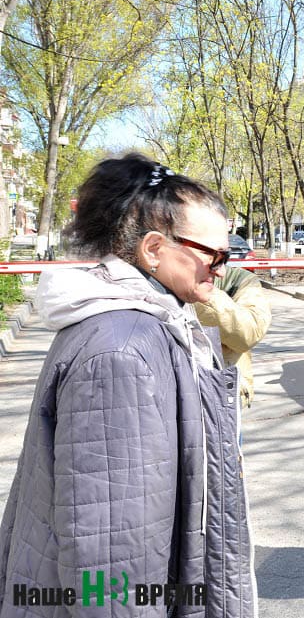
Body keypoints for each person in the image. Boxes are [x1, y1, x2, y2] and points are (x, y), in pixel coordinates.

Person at [0, 154, 257, 617]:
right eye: (213, 254)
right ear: (154, 249)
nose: (222, 267)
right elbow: (110, 557)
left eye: (229, 254)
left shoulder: (150, 323)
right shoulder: (123, 352)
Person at [194, 264, 273, 408]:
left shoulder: (238, 280)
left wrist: (200, 293)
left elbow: (248, 334)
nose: (221, 270)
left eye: (223, 257)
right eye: (208, 252)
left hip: (222, 400)